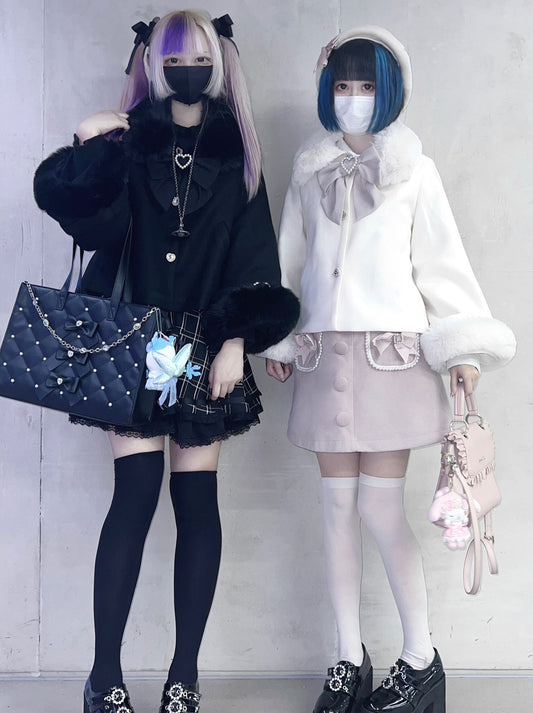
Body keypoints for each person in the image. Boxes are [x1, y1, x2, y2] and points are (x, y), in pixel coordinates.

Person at [33, 10, 298, 713]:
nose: (186, 70)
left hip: (203, 344)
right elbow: (94, 230)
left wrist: (238, 339)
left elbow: (253, 249)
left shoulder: (237, 151)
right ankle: (104, 677)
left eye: (198, 57)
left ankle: (184, 677)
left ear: (219, 63)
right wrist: (88, 145)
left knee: (196, 499)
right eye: (173, 58)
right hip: (134, 342)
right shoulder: (131, 141)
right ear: (153, 64)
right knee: (136, 492)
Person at [264, 26, 515, 713]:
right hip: (324, 358)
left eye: (366, 85)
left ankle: (420, 659)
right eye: (342, 85)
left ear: (389, 91)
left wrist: (462, 351)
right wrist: (279, 339)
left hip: (390, 359)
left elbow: (440, 262)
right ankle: (347, 659)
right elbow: (288, 259)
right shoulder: (309, 170)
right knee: (334, 508)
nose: (353, 98)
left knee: (378, 507)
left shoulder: (414, 171)